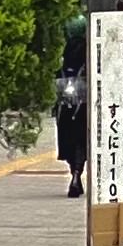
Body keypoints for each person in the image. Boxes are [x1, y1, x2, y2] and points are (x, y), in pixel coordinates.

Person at [55, 12, 91, 198]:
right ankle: (77, 173)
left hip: (64, 100)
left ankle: (73, 173)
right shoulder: (88, 49)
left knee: (67, 136)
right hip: (83, 100)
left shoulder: (61, 50)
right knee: (81, 139)